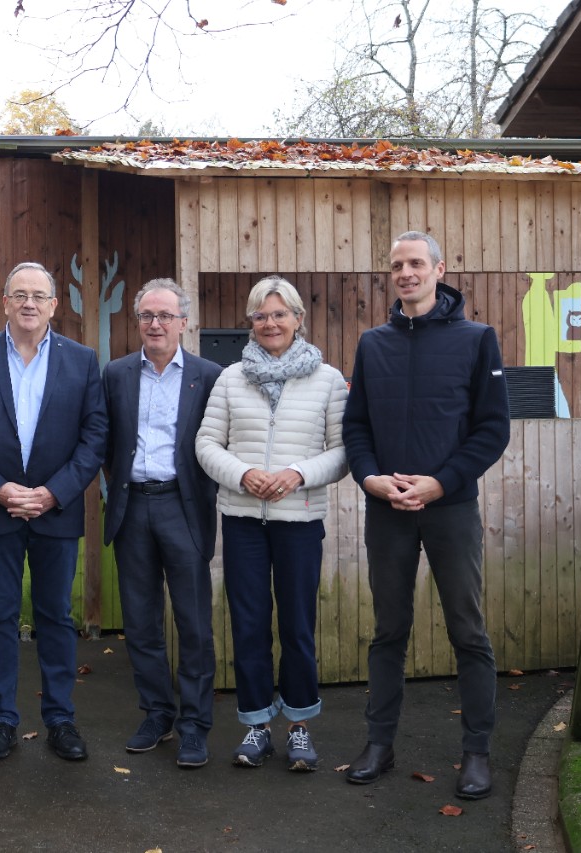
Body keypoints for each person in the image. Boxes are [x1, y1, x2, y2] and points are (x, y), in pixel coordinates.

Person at [342, 231, 510, 800]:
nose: (406, 272)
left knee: (469, 632)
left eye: (416, 263)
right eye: (396, 265)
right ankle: (379, 745)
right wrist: (370, 478)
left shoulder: (477, 339)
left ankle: (477, 753)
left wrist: (440, 483)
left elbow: (492, 429)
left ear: (440, 269)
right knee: (389, 630)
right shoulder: (373, 344)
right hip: (386, 509)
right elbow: (356, 427)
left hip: (450, 508)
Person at [0, 261, 108, 763]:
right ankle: (2, 721)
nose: (29, 303)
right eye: (20, 295)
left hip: (55, 512)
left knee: (56, 616)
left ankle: (60, 719)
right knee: (0, 615)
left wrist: (54, 493)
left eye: (39, 295)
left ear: (55, 305)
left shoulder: (82, 361)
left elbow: (94, 435)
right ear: (5, 302)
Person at [195, 275, 349, 771]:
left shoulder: (327, 379)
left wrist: (297, 474)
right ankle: (257, 725)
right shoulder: (229, 378)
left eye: (280, 314)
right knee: (249, 624)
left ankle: (300, 727)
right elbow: (206, 445)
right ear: (251, 323)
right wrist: (244, 475)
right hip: (243, 520)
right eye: (260, 315)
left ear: (298, 319)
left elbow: (343, 451)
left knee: (298, 625)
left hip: (299, 520)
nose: (270, 323)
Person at [103, 279, 223, 768]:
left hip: (183, 506)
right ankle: (157, 713)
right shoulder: (115, 374)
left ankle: (195, 725)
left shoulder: (210, 375)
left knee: (193, 622)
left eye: (165, 316)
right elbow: (107, 441)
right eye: (147, 316)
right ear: (138, 322)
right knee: (141, 621)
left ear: (183, 322)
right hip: (133, 507)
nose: (155, 324)